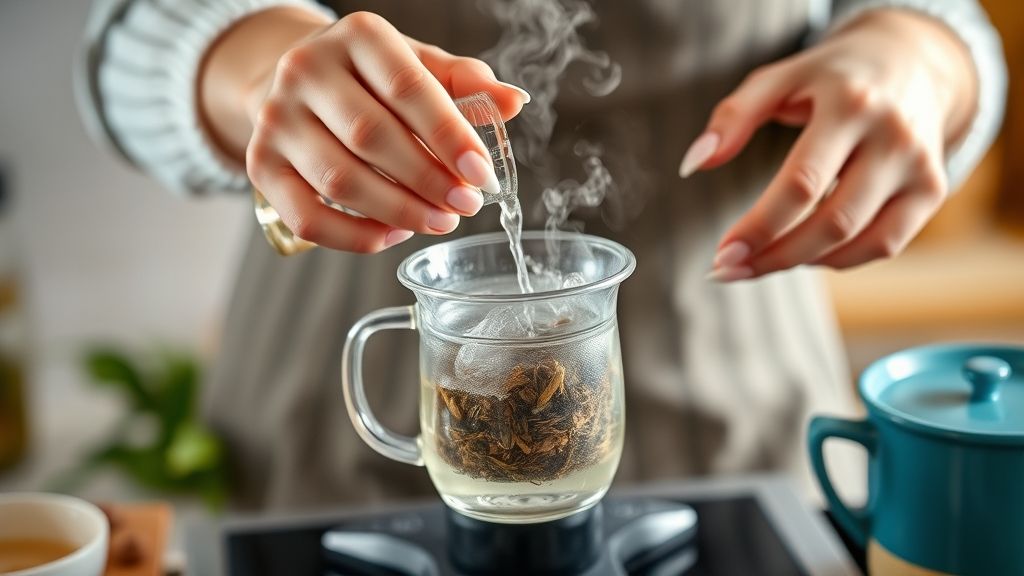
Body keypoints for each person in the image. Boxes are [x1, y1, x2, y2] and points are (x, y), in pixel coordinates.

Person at [77, 0, 1005, 510]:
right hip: (336, 453)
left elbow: (939, 19)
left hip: (743, 428)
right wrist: (252, 69)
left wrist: (918, 60)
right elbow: (130, 32)